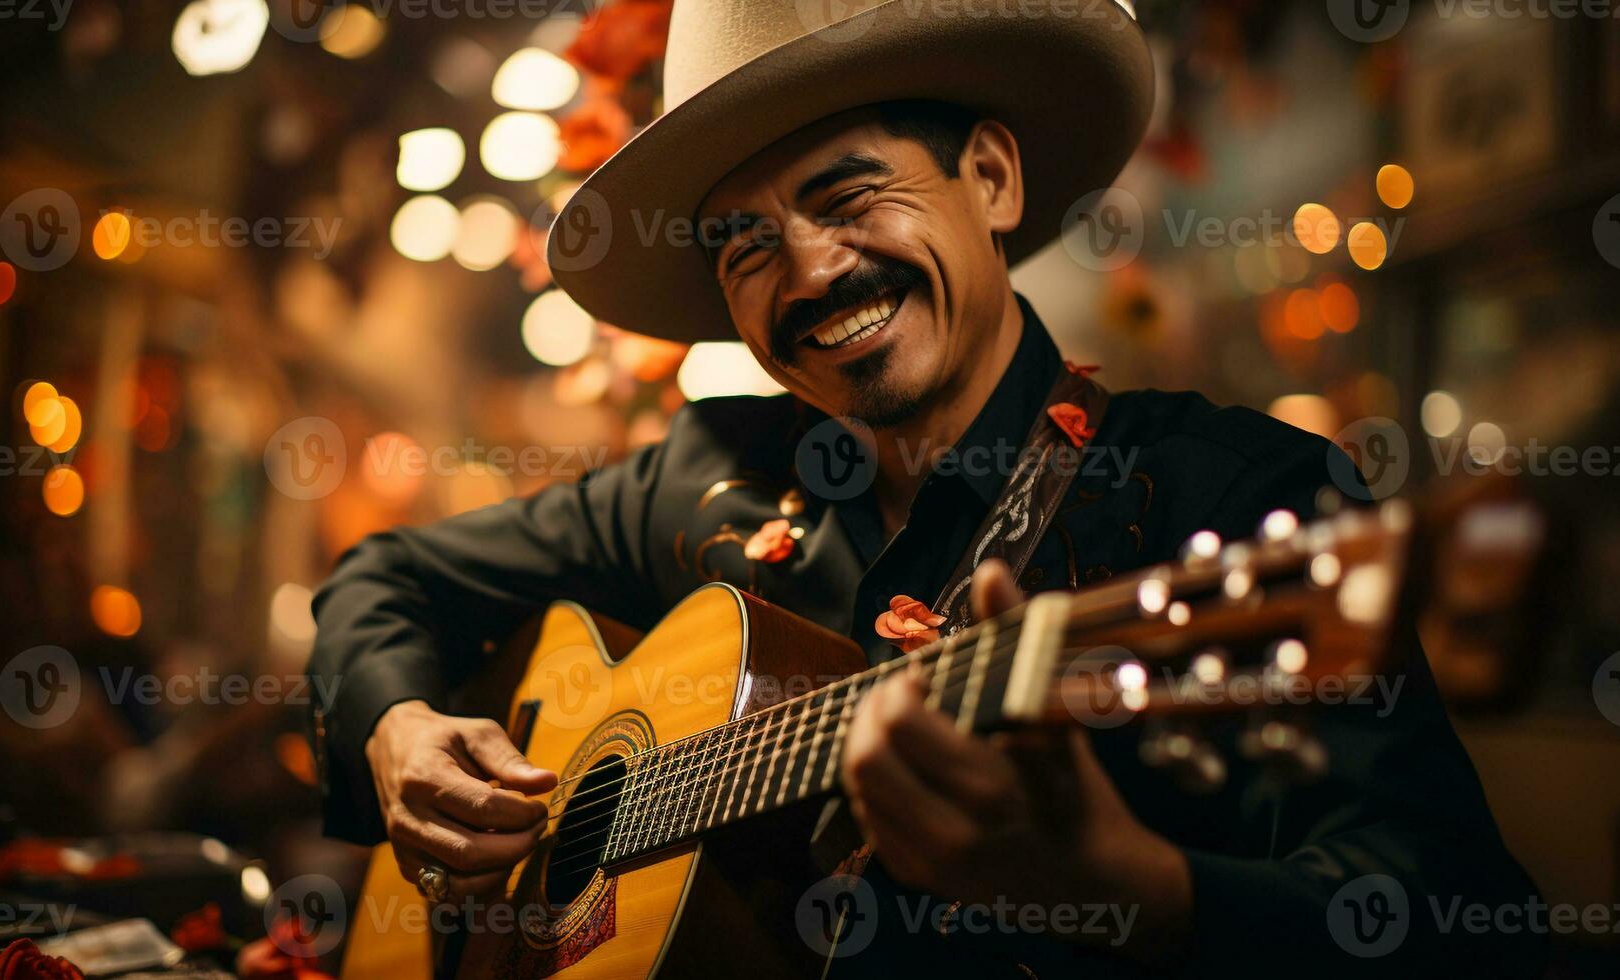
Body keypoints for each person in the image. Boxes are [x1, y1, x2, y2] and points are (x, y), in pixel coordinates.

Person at [309, 0, 1544, 974]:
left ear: (992, 180)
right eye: (744, 244)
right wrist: (399, 730)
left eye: (847, 194)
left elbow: (1459, 921)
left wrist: (1138, 895)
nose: (806, 271)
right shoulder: (707, 475)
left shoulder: (1229, 494)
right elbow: (385, 576)